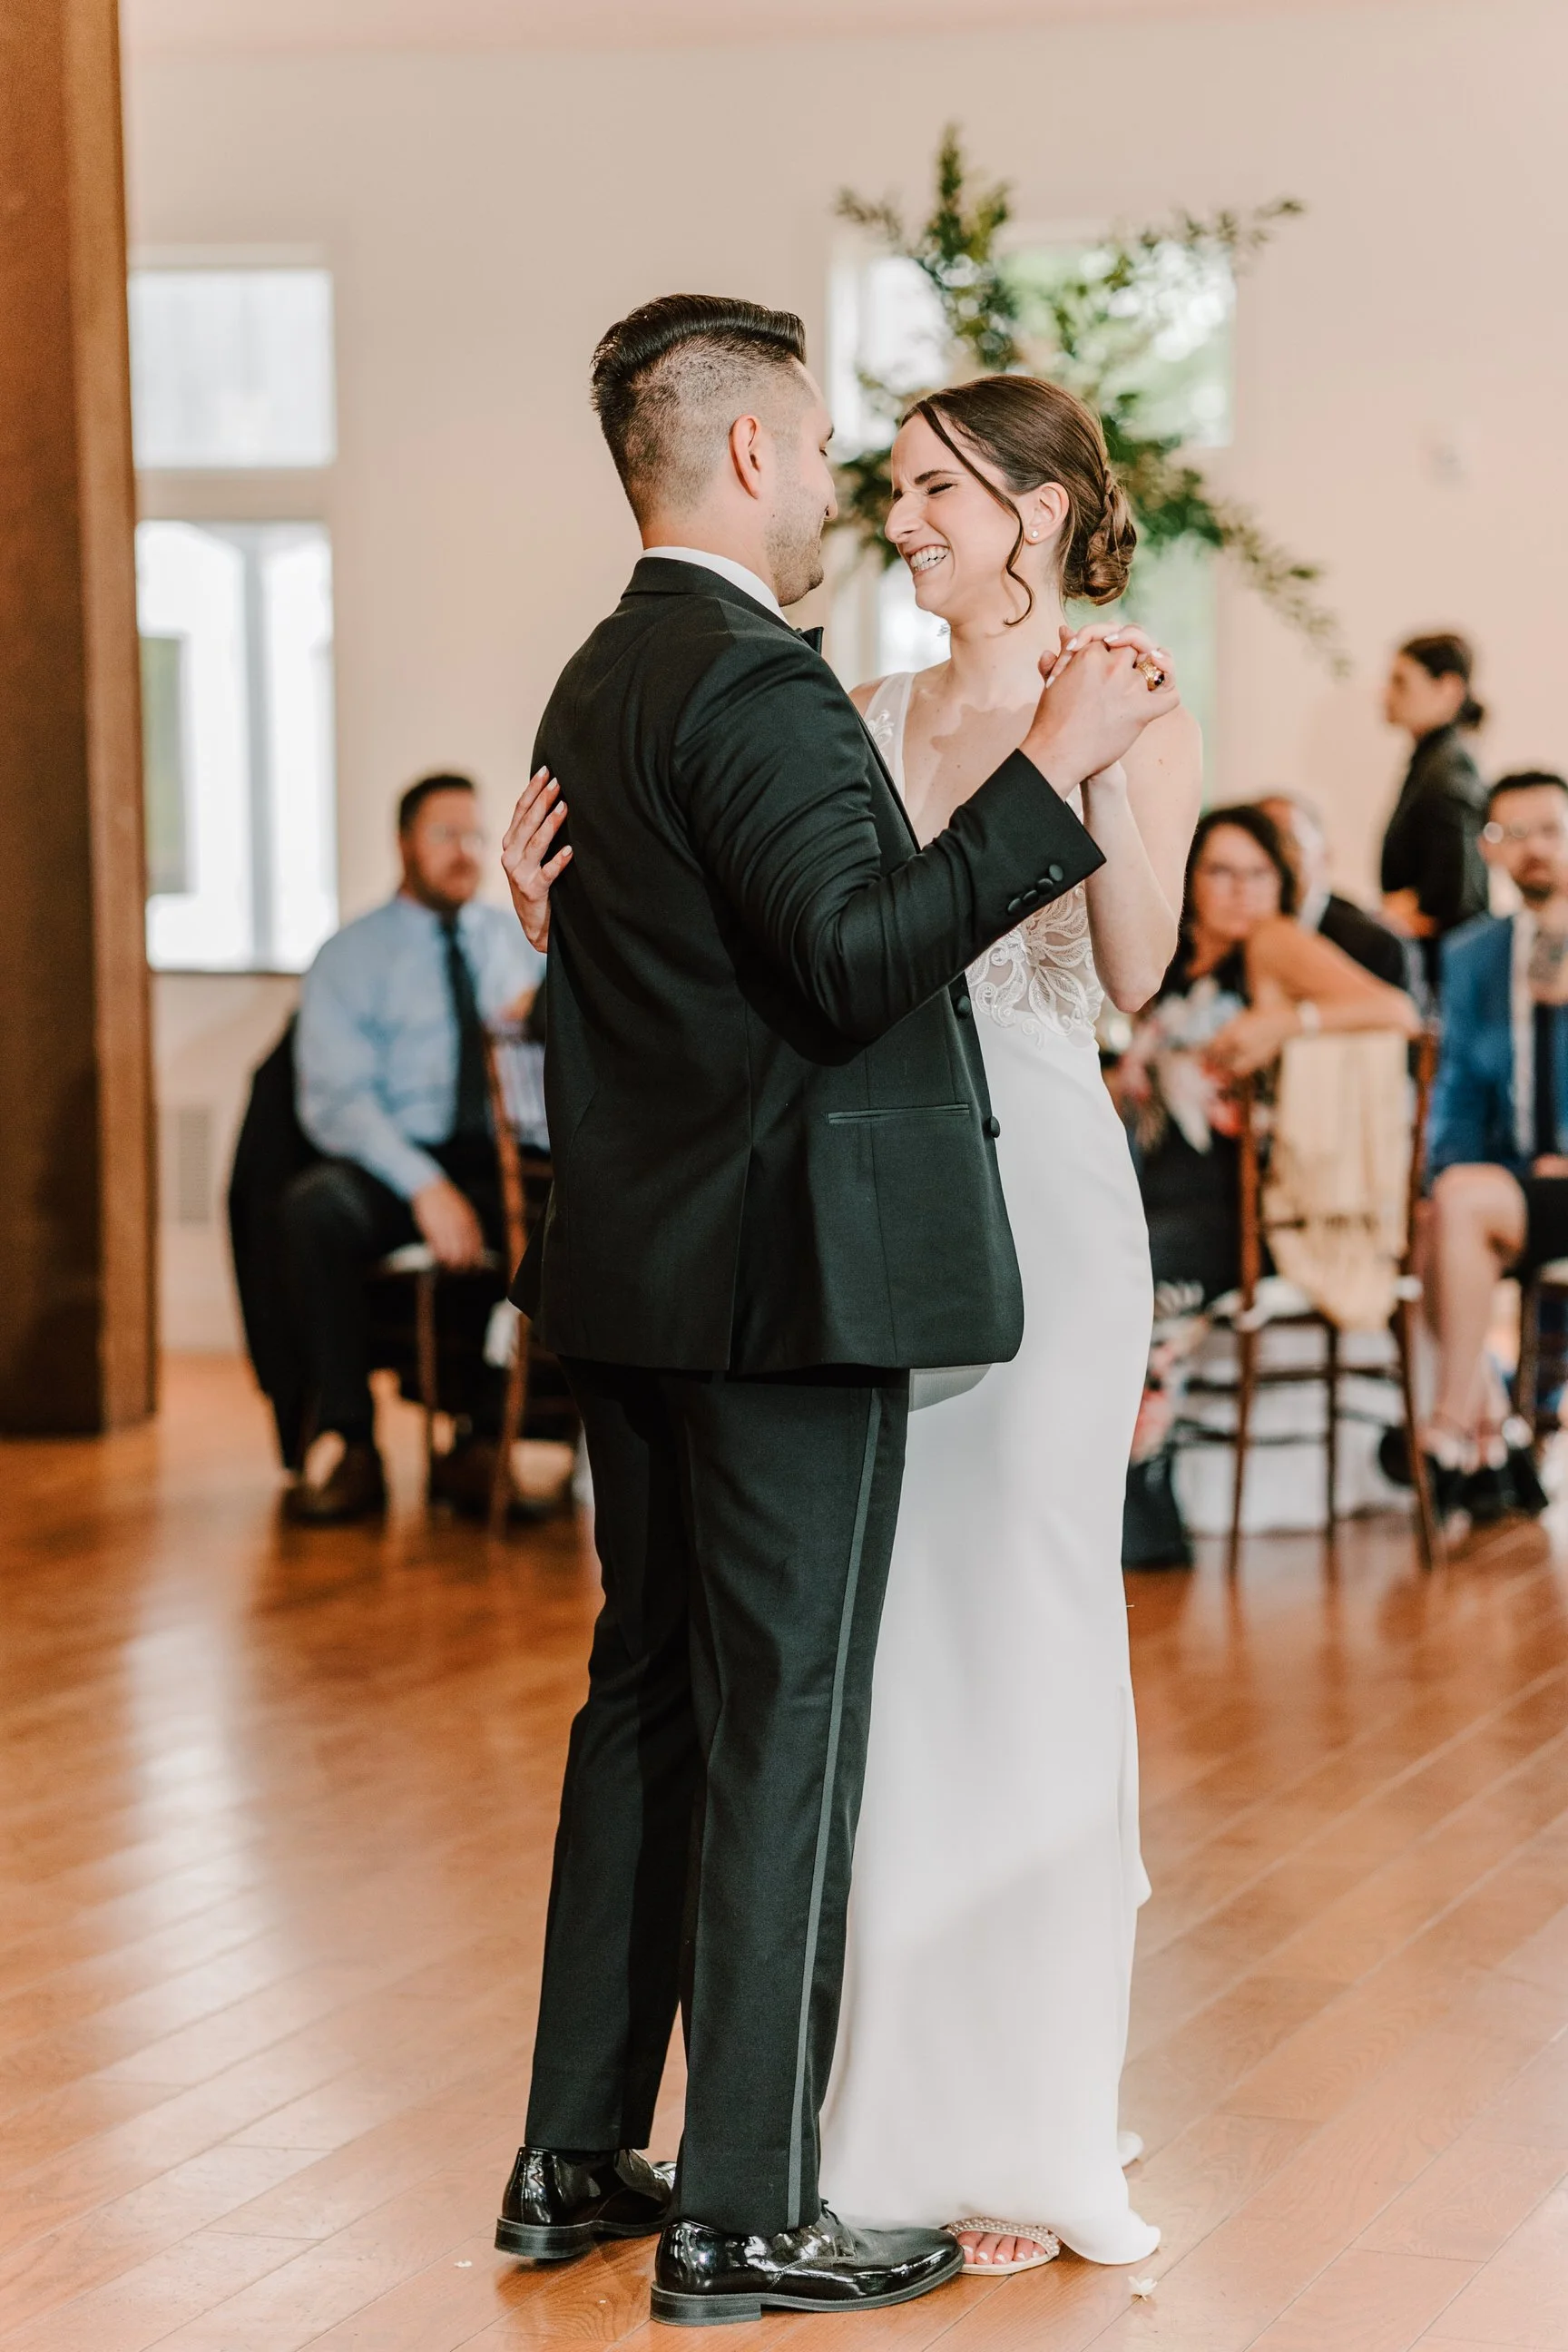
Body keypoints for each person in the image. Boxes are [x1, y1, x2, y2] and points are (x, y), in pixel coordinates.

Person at [488, 295, 1177, 2328]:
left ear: (1039, 515)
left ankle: (575, 2150)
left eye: (942, 484)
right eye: (864, 466)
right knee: (785, 1711)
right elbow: (854, 956)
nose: (887, 509)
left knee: (657, 1699)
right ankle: (746, 2208)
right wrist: (1047, 776)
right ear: (762, 456)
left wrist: (562, 928)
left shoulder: (604, 667)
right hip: (792, 1268)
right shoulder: (781, 687)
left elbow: (705, 949)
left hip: (676, 1261)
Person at [1117, 806, 1420, 1568]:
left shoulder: (1273, 947)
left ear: (1283, 883)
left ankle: (1143, 1492)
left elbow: (1399, 1011)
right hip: (1150, 1188)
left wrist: (1295, 1023)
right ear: (1192, 876)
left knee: (1143, 1267)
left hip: (1239, 1207)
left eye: (1259, 874)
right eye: (1221, 871)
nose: (1241, 891)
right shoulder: (1166, 964)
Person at [282, 772, 544, 1524]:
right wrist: (425, 1186)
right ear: (404, 845)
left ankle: (486, 1441)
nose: (464, 853)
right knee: (313, 1212)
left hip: (497, 1157)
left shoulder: (517, 941)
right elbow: (336, 1102)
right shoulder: (350, 955)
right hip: (392, 1161)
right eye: (443, 836)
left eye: (474, 835)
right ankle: (351, 1440)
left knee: (570, 1216)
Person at [1415, 770, 1568, 1520]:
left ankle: (1455, 1433)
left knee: (1455, 1206)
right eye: (1513, 835)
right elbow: (1457, 1093)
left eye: (1551, 830)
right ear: (1490, 850)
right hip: (1513, 1181)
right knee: (1435, 1215)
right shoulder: (1476, 953)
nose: (1534, 850)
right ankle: (1493, 1431)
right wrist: (1448, 1170)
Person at [1379, 631, 1490, 993]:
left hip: (1441, 975)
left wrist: (1390, 919)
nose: (1386, 696)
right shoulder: (1434, 763)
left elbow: (1458, 897)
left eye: (1401, 683)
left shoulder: (1448, 770)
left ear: (1449, 689)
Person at [1257, 789, 1415, 993]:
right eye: (1262, 846)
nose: (1272, 860)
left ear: (1324, 856)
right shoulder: (1236, 933)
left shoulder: (1378, 947)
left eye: (1288, 841)